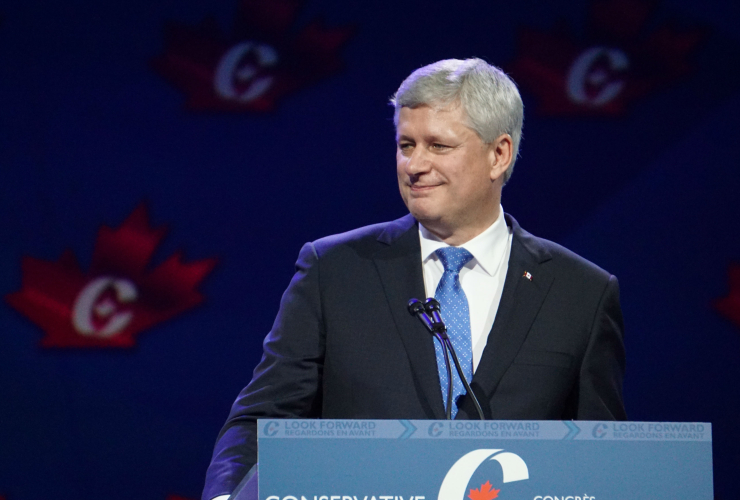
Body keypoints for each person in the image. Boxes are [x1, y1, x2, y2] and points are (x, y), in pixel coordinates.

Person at [202, 58, 626, 500]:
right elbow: (262, 419)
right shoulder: (334, 270)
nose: (414, 165)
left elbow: (602, 456)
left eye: (438, 146)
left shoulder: (582, 293)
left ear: (498, 154)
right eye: (406, 145)